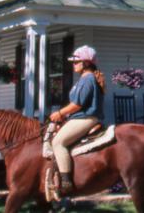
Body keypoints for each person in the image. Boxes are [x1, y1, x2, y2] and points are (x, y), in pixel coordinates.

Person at [50, 45, 105, 196]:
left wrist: (60, 113)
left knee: (58, 143)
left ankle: (66, 182)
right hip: (80, 117)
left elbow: (77, 105)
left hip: (85, 118)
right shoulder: (85, 78)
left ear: (86, 63)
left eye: (76, 62)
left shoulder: (88, 79)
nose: (73, 64)